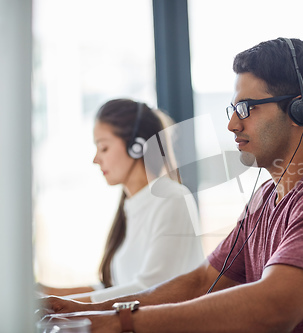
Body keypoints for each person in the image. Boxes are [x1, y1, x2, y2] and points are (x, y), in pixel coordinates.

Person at [40, 39, 303, 332]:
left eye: (246, 109)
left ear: (300, 111)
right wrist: (92, 310)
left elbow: (273, 309)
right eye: (232, 110)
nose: (232, 125)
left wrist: (120, 323)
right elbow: (202, 281)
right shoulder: (266, 196)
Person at [38, 98, 205, 303]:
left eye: (104, 148)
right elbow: (117, 288)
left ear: (136, 146)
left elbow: (151, 289)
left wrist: (67, 305)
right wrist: (48, 292)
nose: (95, 159)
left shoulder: (172, 199)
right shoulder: (133, 206)